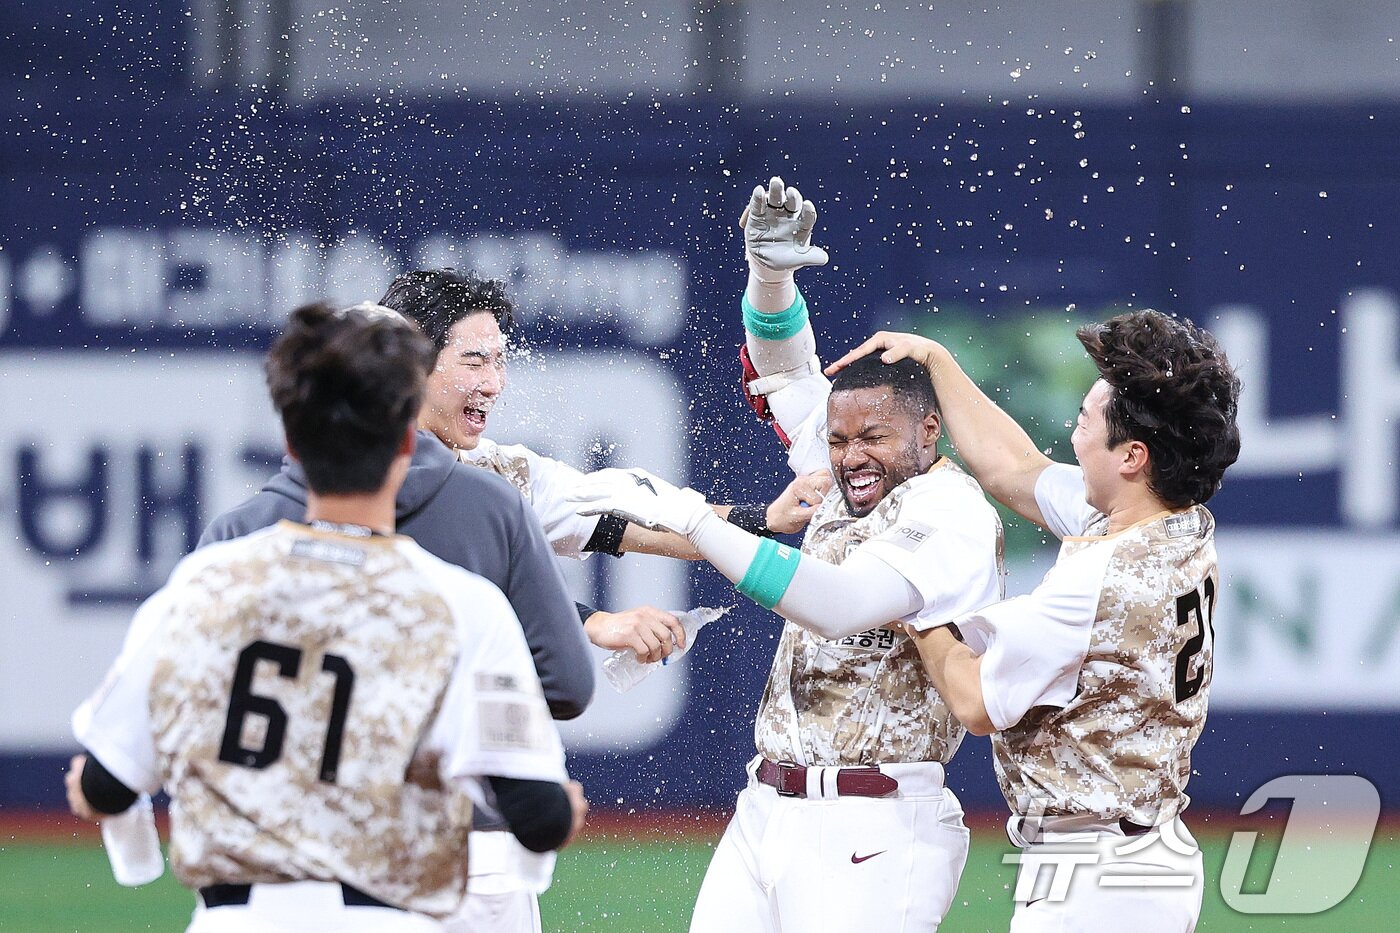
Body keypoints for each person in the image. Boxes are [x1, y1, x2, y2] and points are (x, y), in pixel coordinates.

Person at [567, 178, 1005, 932]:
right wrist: (770, 277)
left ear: (930, 429)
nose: (850, 455)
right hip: (767, 803)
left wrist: (695, 522)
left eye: (874, 436)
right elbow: (787, 370)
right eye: (837, 440)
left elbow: (836, 603)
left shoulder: (954, 512)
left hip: (876, 823)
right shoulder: (845, 472)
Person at [65, 302, 587, 932]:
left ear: (290, 442)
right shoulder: (461, 605)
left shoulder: (205, 584)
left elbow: (106, 782)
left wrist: (97, 792)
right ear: (405, 440)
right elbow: (537, 813)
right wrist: (557, 810)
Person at [375, 266, 829, 931]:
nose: (493, 382)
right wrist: (590, 625)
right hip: (392, 807)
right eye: (473, 360)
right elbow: (441, 606)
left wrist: (759, 519)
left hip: (460, 817)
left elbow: (614, 508)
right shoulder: (350, 479)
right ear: (408, 357)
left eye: (500, 361)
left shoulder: (495, 474)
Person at [827, 308, 1241, 931]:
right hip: (1143, 852)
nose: (1072, 433)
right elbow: (1010, 469)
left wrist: (913, 600)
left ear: (1131, 455)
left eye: (1085, 421)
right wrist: (938, 361)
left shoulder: (1098, 581)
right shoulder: (1173, 521)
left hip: (1097, 872)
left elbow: (972, 701)